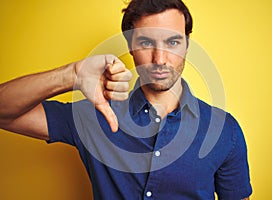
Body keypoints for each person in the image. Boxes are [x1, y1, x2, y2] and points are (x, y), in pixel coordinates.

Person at [0, 0, 252, 199]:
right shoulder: (92, 117)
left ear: (187, 44)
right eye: (146, 43)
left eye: (173, 42)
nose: (160, 58)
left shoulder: (224, 131)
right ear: (130, 47)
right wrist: (72, 75)